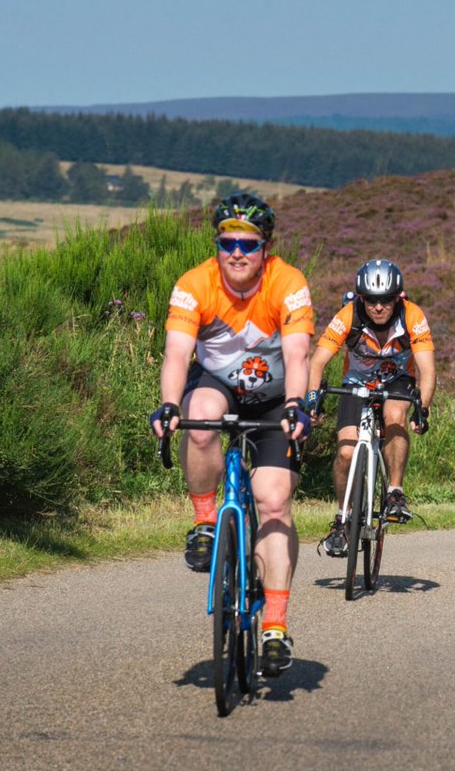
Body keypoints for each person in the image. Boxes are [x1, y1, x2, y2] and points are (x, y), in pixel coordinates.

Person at [150, 191, 313, 676]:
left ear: (266, 246)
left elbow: (300, 356)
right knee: (198, 418)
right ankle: (204, 523)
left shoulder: (288, 283)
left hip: (274, 399)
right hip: (218, 385)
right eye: (227, 244)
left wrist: (297, 407)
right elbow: (178, 355)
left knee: (274, 500)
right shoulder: (193, 284)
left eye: (248, 243)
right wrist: (168, 405)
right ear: (216, 245)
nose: (237, 253)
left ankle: (275, 627)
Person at [305, 259, 435, 558]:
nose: (378, 307)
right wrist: (313, 399)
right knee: (346, 453)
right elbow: (317, 361)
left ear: (398, 297)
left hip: (399, 381)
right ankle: (343, 517)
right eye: (371, 300)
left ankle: (395, 493)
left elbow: (427, 369)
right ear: (360, 297)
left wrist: (423, 408)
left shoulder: (412, 316)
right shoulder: (348, 315)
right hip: (356, 384)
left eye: (386, 300)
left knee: (394, 415)